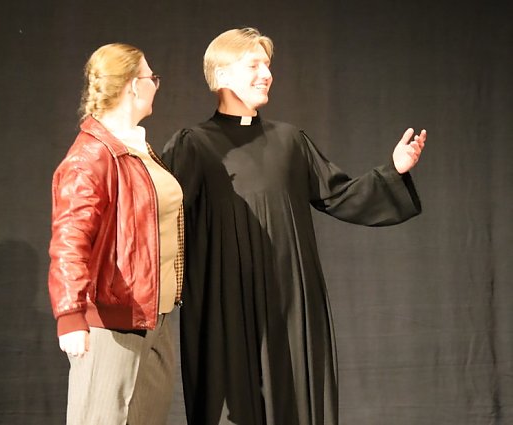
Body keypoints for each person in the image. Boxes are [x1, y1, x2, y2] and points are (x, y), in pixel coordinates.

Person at [162, 28, 426, 425]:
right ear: (222, 75)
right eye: (254, 65)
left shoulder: (289, 140)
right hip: (225, 303)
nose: (266, 74)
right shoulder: (193, 145)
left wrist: (394, 171)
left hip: (290, 299)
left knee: (296, 400)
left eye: (268, 65)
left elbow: (340, 194)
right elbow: (165, 216)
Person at [48, 43, 184, 425]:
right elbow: (70, 239)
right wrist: (70, 315)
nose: (156, 85)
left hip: (152, 319)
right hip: (111, 325)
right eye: (152, 77)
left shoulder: (135, 148)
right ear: (133, 85)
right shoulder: (91, 156)